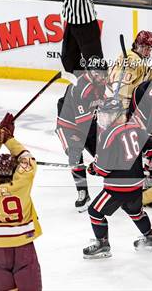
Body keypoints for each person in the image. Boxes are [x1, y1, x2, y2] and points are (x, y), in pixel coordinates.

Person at [83, 99, 152, 259]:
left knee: (95, 211)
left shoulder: (107, 135)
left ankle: (102, 245)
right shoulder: (135, 128)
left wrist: (93, 169)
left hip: (117, 187)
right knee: (135, 211)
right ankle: (150, 238)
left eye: (108, 114)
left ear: (118, 115)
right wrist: (146, 163)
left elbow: (104, 169)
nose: (104, 118)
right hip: (136, 184)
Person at [0, 113, 42, 291]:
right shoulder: (21, 184)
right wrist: (9, 139)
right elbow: (27, 159)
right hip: (22, 245)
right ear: (15, 171)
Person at [55, 62, 108, 212]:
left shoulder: (98, 83)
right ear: (90, 73)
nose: (102, 77)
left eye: (104, 74)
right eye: (99, 74)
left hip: (88, 123)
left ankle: (114, 189)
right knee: (75, 154)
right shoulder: (80, 88)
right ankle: (82, 193)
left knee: (105, 154)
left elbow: (100, 104)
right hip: (69, 126)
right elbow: (85, 125)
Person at [108, 30, 152, 109]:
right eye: (147, 49)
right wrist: (126, 109)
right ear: (139, 46)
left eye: (150, 49)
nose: (149, 52)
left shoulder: (137, 58)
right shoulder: (133, 61)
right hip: (118, 102)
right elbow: (120, 89)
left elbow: (149, 74)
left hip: (122, 99)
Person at [60, 0, 104, 75]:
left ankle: (99, 86)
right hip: (71, 23)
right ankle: (81, 82)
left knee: (94, 63)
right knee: (68, 58)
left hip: (87, 26)